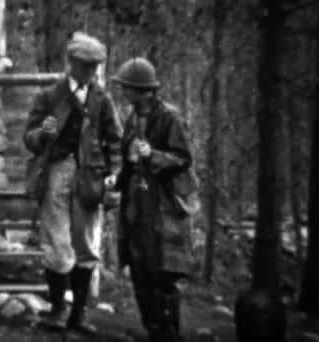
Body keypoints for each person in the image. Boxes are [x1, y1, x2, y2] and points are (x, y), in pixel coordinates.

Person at [23, 32, 122, 334]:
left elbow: (115, 140)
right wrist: (43, 133)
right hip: (55, 172)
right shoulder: (49, 96)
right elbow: (29, 139)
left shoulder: (102, 98)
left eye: (95, 67)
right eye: (86, 66)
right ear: (72, 64)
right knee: (56, 241)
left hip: (90, 177)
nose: (92, 72)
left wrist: (114, 173)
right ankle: (57, 311)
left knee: (87, 243)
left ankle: (79, 314)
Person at [111, 57, 195, 342]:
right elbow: (127, 160)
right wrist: (118, 179)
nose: (123, 92)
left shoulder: (169, 116)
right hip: (135, 205)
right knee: (139, 271)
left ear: (142, 89)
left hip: (163, 207)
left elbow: (183, 158)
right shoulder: (132, 118)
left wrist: (154, 156)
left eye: (127, 88)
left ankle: (169, 334)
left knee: (163, 274)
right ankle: (153, 329)